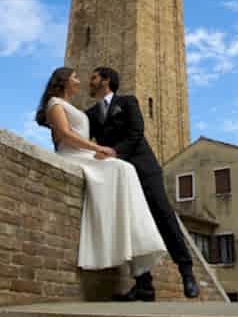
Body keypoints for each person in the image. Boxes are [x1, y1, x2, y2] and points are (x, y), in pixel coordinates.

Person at [36, 67, 166, 302]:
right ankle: (142, 277)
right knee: (122, 168)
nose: (81, 80)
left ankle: (143, 276)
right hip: (73, 157)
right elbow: (64, 136)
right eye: (75, 76)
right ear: (63, 81)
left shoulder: (76, 108)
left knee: (124, 170)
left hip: (85, 156)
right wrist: (99, 149)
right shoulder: (54, 103)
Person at [85, 67, 199, 300]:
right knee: (129, 224)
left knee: (163, 215)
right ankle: (144, 285)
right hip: (117, 175)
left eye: (94, 77)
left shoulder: (127, 102)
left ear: (106, 80)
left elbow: (137, 132)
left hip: (143, 167)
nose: (90, 80)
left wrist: (115, 153)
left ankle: (186, 272)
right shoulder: (90, 113)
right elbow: (78, 133)